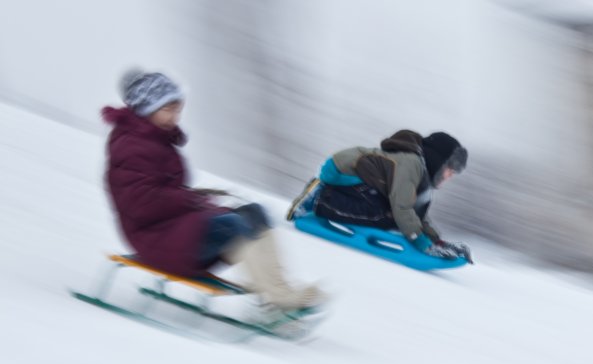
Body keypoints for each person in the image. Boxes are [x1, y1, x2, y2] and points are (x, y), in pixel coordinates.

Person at [102, 68, 325, 312]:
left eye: (178, 109)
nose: (175, 117)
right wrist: (191, 199)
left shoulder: (156, 141)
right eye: (168, 110)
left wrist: (197, 199)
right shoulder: (131, 147)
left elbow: (165, 194)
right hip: (153, 239)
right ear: (146, 110)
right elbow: (141, 204)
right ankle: (277, 298)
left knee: (254, 213)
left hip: (172, 230)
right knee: (232, 225)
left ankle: (279, 290)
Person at [287, 129, 473, 263]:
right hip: (342, 173)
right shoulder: (412, 165)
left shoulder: (423, 179)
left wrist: (438, 242)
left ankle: (327, 199)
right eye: (450, 169)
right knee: (387, 215)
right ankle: (320, 199)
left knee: (391, 216)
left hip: (364, 183)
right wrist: (424, 245)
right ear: (437, 159)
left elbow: (418, 216)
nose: (449, 176)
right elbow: (402, 209)